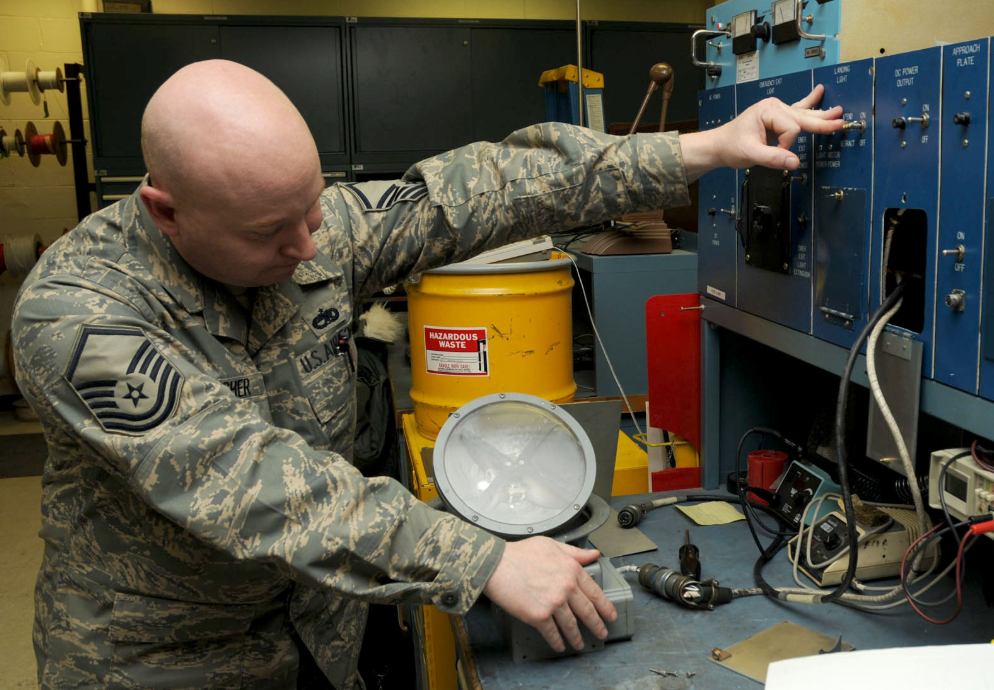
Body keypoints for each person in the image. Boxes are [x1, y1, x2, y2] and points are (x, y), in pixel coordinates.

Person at [12, 59, 842, 689]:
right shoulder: (80, 316)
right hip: (168, 660)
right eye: (273, 232)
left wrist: (697, 149)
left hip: (319, 634)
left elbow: (484, 189)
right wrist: (480, 560)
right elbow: (253, 483)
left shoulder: (311, 235)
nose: (308, 251)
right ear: (167, 211)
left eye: (313, 210)